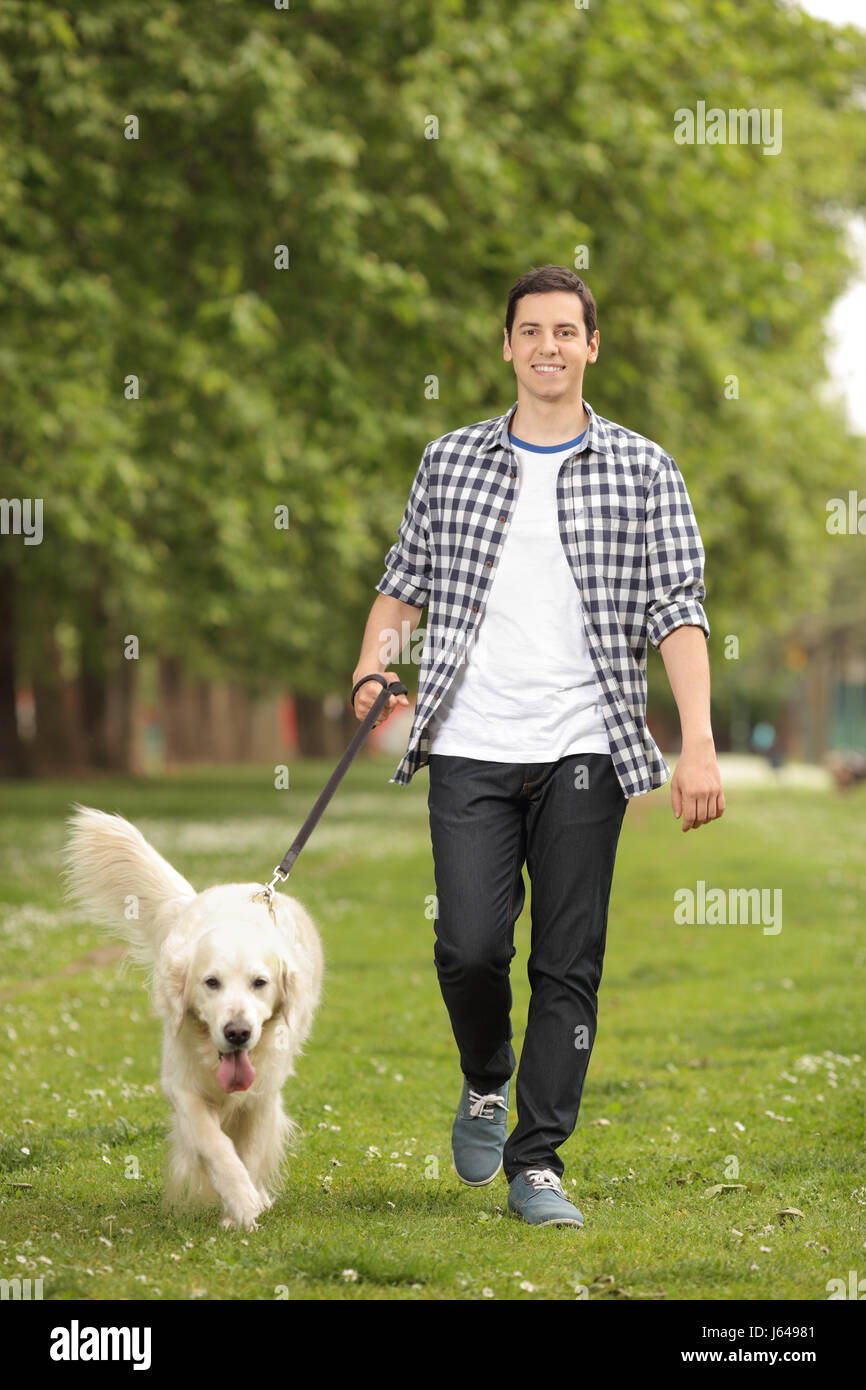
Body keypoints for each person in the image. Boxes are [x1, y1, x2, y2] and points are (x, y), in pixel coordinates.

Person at [351, 264, 725, 1228]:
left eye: (567, 332)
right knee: (470, 946)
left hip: (587, 746)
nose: (549, 347)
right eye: (532, 332)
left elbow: (678, 612)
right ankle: (486, 1075)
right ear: (507, 345)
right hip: (473, 742)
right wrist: (373, 668)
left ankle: (538, 1162)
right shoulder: (452, 460)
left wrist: (698, 744)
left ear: (592, 347)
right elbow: (404, 582)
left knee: (568, 959)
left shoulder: (645, 468)